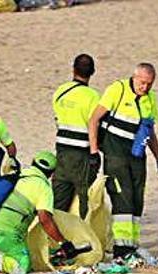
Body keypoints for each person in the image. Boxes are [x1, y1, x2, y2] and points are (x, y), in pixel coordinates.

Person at [87, 63, 158, 260]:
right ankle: (121, 247)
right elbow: (94, 120)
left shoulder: (150, 99)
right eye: (142, 83)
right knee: (123, 196)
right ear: (134, 77)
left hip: (137, 153)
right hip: (115, 153)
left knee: (137, 198)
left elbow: (149, 131)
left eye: (149, 84)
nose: (145, 88)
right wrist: (94, 151)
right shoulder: (118, 90)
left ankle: (131, 244)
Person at [0, 151, 89, 274]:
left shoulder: (17, 175)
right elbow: (45, 220)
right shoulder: (43, 187)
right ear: (51, 173)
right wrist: (63, 243)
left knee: (21, 248)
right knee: (23, 264)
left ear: (33, 163)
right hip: (2, 229)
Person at [53, 53, 100, 218]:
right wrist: (95, 153)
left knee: (60, 195)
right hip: (82, 152)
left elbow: (57, 119)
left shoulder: (60, 91)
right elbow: (94, 125)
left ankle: (56, 235)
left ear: (73, 69)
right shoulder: (93, 96)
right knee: (84, 194)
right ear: (93, 71)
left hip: (62, 149)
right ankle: (83, 235)